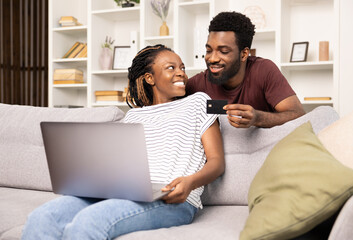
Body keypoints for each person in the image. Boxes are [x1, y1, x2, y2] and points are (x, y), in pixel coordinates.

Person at [21, 45, 225, 240]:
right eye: (171, 68)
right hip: (126, 192)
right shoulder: (134, 117)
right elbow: (120, 167)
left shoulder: (198, 102)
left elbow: (217, 162)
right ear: (149, 78)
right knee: (41, 217)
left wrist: (190, 183)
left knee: (90, 221)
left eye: (182, 68)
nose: (181, 73)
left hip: (173, 200)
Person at [186, 11, 305, 128]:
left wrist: (258, 118)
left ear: (244, 54)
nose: (212, 59)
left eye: (224, 51)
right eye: (209, 50)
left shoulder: (263, 70)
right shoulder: (198, 83)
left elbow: (298, 115)